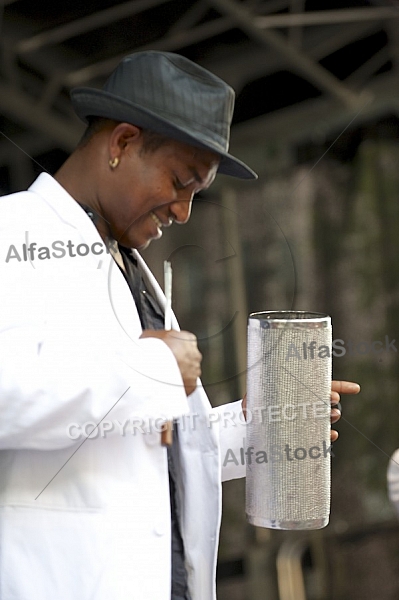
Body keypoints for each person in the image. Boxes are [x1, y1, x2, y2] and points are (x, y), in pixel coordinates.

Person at [0, 51, 360, 600]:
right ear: (121, 144)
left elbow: (141, 449)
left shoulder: (130, 267)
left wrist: (254, 429)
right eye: (180, 180)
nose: (185, 211)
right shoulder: (12, 235)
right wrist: (154, 370)